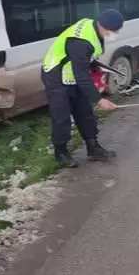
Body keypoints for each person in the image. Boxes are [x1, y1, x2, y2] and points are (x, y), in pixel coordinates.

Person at [41, 9, 122, 168]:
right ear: (102, 26)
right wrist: (99, 99)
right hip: (56, 75)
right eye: (114, 30)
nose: (116, 33)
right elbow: (82, 75)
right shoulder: (80, 42)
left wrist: (96, 68)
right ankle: (61, 153)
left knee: (85, 112)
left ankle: (93, 148)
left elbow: (85, 63)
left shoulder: (93, 29)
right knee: (62, 116)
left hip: (73, 73)